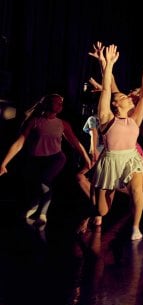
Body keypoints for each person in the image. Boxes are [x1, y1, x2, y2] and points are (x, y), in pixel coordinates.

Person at [79, 44, 143, 240]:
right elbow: (105, 91)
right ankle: (90, 215)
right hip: (110, 161)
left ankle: (136, 227)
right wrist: (108, 64)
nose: (128, 97)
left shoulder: (134, 119)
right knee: (102, 210)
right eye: (123, 97)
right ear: (115, 104)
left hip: (131, 159)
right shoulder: (106, 118)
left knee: (137, 190)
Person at [0, 93, 92, 227]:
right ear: (48, 104)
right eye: (57, 102)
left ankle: (42, 214)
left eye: (61, 103)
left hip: (56, 158)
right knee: (38, 184)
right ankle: (35, 204)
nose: (60, 105)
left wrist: (86, 158)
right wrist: (4, 163)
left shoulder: (62, 124)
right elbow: (19, 143)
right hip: (36, 160)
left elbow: (75, 143)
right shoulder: (35, 121)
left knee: (44, 181)